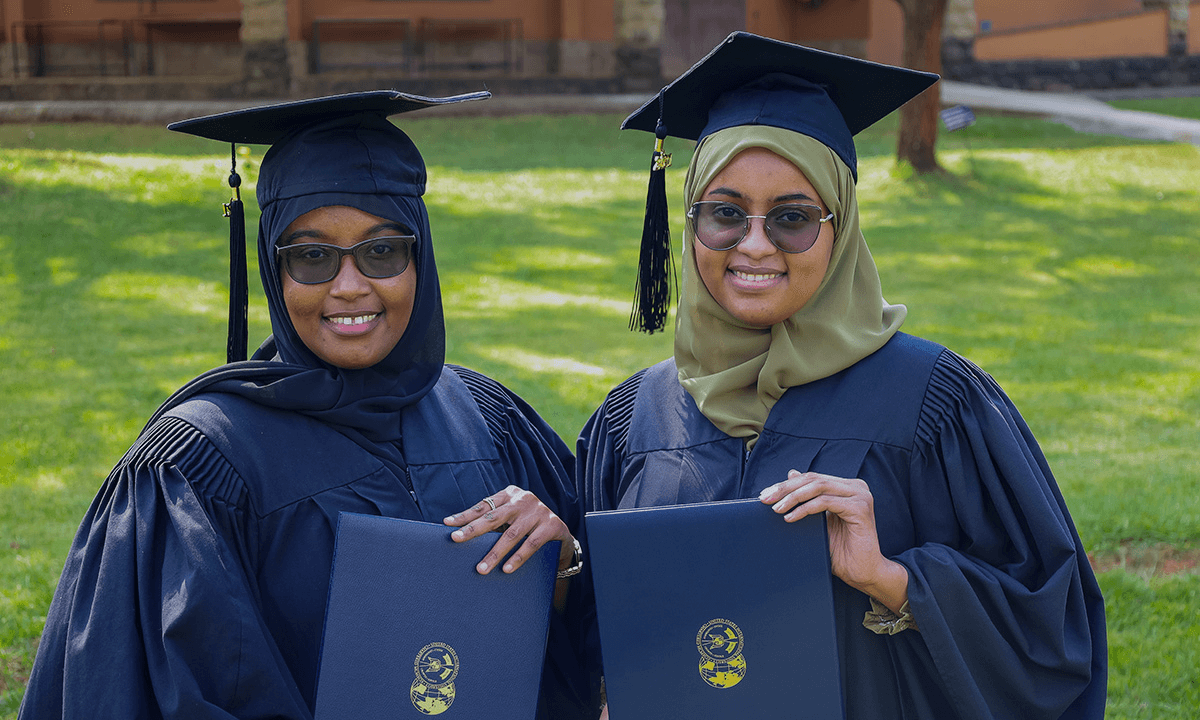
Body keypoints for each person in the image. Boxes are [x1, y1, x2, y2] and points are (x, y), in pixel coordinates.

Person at [577, 33, 1106, 719]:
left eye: (793, 218)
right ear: (690, 220)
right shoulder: (635, 418)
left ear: (842, 224)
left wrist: (892, 580)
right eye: (724, 214)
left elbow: (1051, 627)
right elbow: (581, 641)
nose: (755, 244)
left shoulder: (934, 404)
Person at [19, 91, 594, 720]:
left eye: (382, 251)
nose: (350, 286)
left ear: (419, 259)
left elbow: (592, 662)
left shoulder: (488, 418)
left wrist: (561, 567)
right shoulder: (197, 465)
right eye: (312, 256)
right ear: (274, 268)